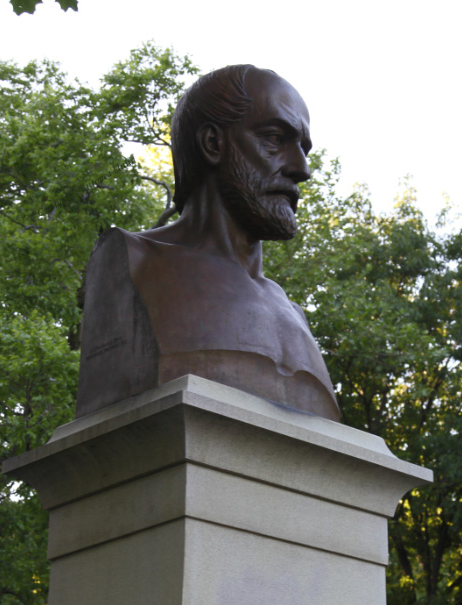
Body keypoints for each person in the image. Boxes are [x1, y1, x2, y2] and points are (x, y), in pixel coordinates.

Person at [76, 66, 339, 421]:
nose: (301, 168)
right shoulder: (130, 262)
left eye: (303, 148)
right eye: (276, 139)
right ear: (213, 143)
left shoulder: (294, 314)